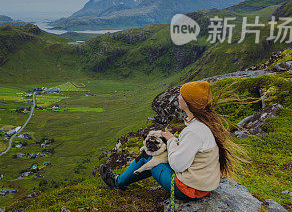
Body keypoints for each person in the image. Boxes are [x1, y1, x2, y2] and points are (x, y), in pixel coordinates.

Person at [99, 80, 242, 200]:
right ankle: (125, 179)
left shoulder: (193, 131)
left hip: (188, 190)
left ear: (188, 102)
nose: (178, 96)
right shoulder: (204, 124)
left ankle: (118, 182)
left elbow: (177, 165)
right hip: (202, 186)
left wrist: (171, 141)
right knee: (155, 157)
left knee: (148, 156)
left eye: (181, 95)